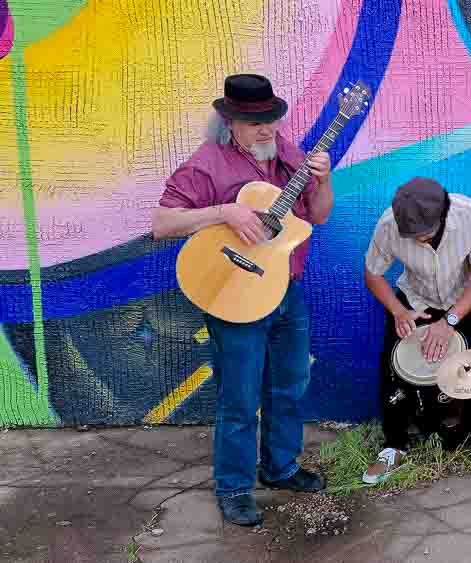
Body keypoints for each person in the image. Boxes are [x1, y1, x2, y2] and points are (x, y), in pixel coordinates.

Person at [152, 73, 333, 525]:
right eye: (254, 122)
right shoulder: (207, 164)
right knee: (239, 398)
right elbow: (162, 223)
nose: (266, 129)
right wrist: (224, 211)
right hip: (234, 296)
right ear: (229, 121)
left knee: (290, 385)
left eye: (271, 118)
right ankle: (233, 487)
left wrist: (324, 180)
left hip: (286, 291)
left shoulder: (288, 155)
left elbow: (319, 214)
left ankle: (280, 467)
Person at [362, 177, 471, 483]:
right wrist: (398, 312)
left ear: (443, 215)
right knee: (392, 364)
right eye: (413, 238)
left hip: (467, 297)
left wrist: (449, 321)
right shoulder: (387, 225)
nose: (420, 242)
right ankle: (394, 445)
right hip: (415, 299)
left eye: (425, 235)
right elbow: (373, 274)